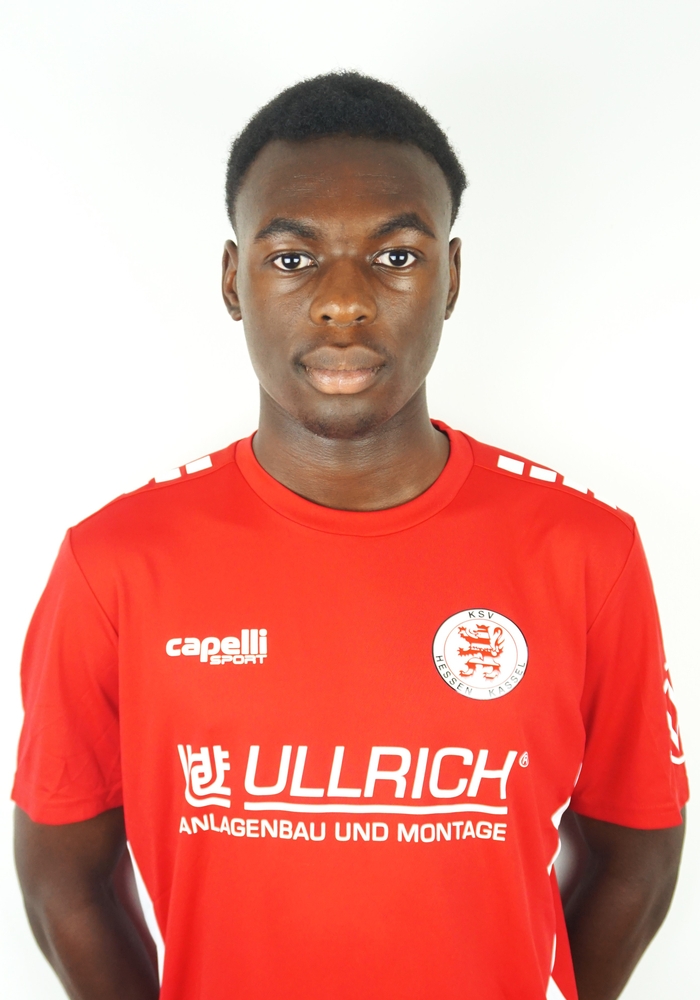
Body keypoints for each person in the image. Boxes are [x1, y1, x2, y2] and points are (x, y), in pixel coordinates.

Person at [12, 72, 687, 1000]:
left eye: (395, 255)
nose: (343, 302)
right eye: (293, 258)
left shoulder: (585, 553)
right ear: (233, 280)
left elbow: (636, 852)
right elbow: (66, 880)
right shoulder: (115, 564)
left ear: (451, 278)